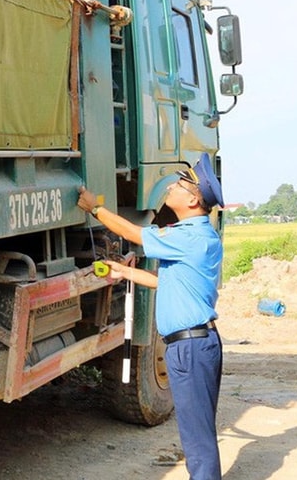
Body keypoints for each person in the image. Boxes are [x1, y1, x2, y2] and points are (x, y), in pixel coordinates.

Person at [77, 152, 225, 480]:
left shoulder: (187, 237)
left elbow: (135, 234)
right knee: (199, 428)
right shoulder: (202, 235)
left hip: (190, 347)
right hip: (199, 343)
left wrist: (94, 208)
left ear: (193, 200)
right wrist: (124, 273)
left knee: (197, 436)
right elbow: (168, 281)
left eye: (180, 185)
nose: (171, 187)